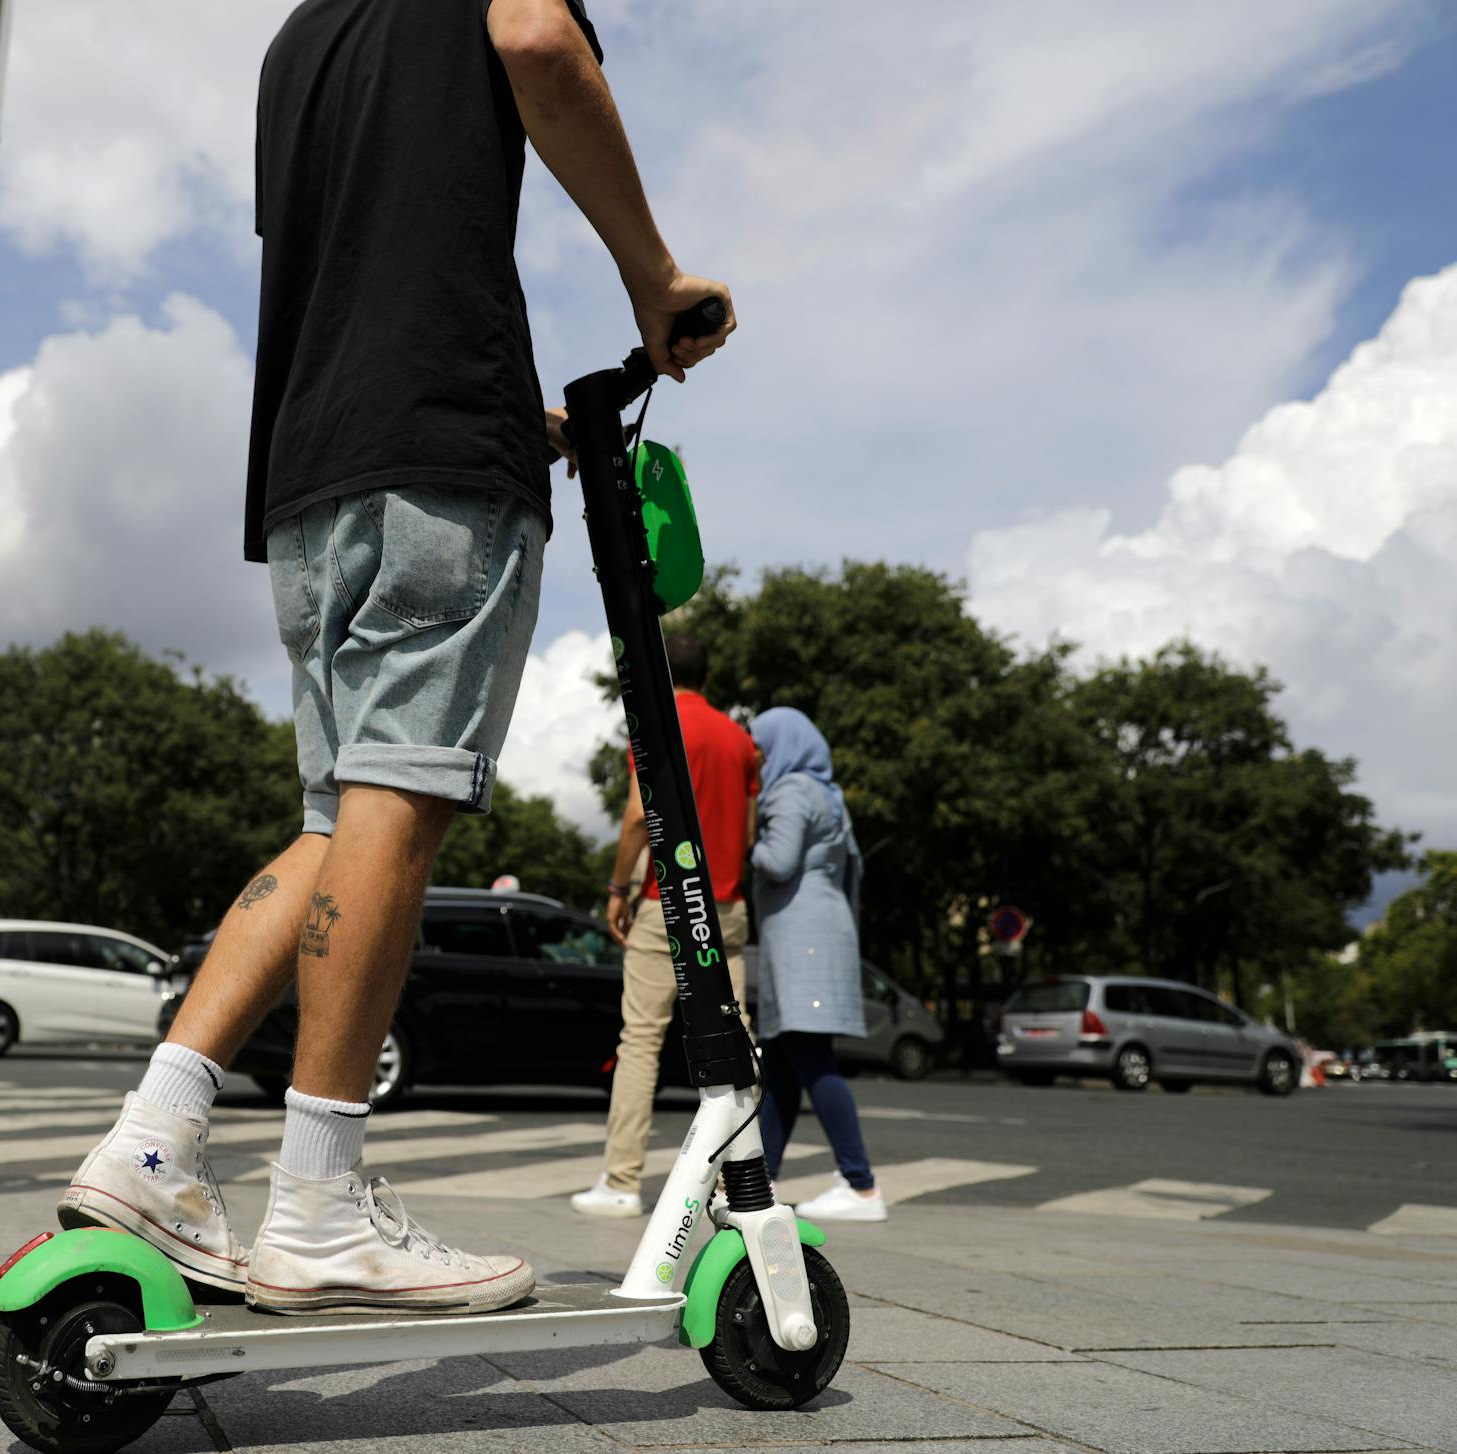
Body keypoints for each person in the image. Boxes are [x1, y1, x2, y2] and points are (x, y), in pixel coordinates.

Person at [57, 0, 734, 1317]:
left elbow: (355, 259)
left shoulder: (297, 41)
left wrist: (509, 418)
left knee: (336, 815)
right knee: (403, 792)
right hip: (434, 465)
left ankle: (149, 1138)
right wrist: (655, 279)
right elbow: (540, 40)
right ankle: (316, 1202)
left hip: (314, 474)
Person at [572, 635, 758, 1217]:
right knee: (736, 1042)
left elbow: (635, 817)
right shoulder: (741, 741)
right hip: (725, 906)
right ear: (707, 674)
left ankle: (622, 1182)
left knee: (641, 1041)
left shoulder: (656, 725)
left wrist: (618, 887)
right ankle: (742, 1185)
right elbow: (748, 835)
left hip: (664, 902)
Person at [749, 707, 882, 1222]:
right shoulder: (827, 792)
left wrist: (744, 839)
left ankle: (861, 1183)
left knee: (810, 1057)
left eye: (760, 747)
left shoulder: (791, 791)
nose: (756, 758)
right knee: (783, 1064)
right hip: (822, 931)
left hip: (801, 937)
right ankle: (761, 1184)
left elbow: (779, 862)